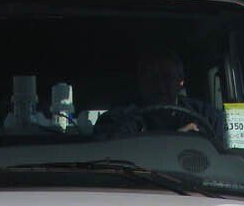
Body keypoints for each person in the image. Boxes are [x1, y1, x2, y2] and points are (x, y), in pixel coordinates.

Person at [95, 48, 226, 140]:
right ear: (141, 82)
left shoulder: (206, 116)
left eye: (167, 77)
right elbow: (109, 156)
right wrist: (176, 139)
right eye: (152, 78)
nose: (160, 86)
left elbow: (228, 152)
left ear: (181, 81)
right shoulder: (118, 119)